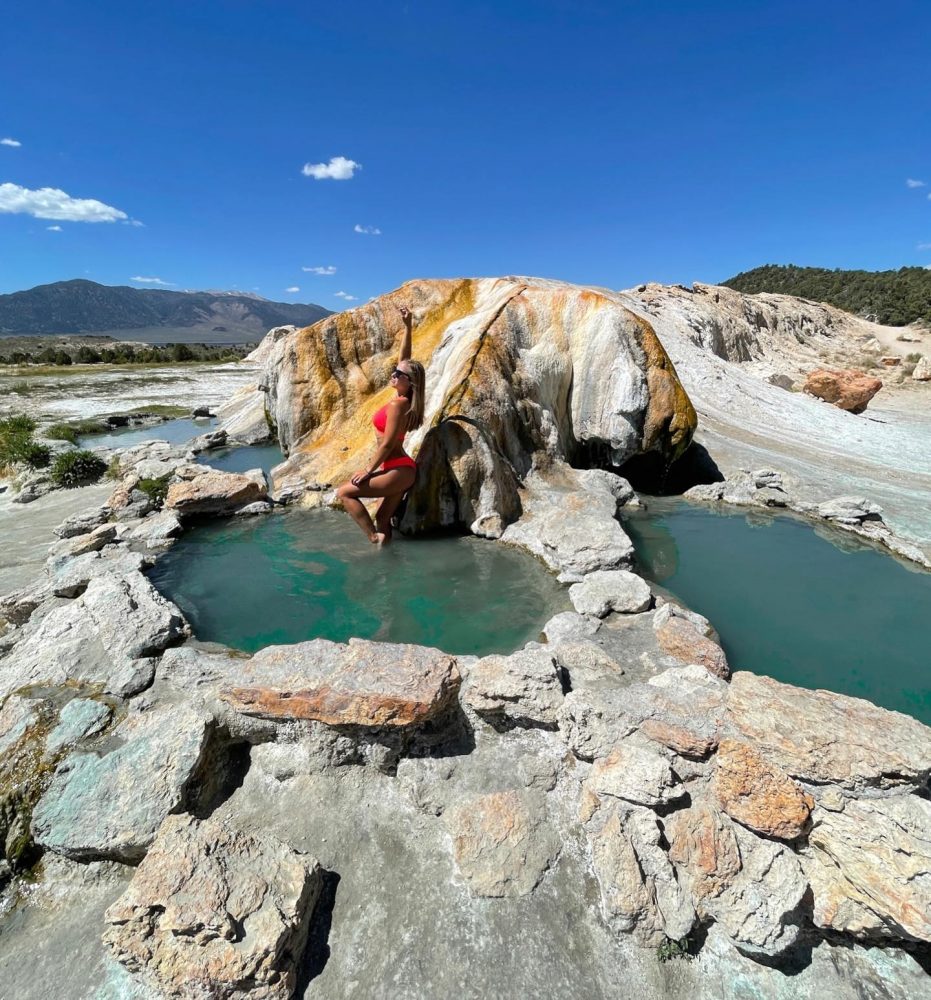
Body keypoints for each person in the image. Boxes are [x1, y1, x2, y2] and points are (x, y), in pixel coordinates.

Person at [336, 304, 425, 544]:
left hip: (396, 469)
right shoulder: (402, 399)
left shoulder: (399, 405)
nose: (393, 375)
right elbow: (405, 359)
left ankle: (373, 538)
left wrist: (368, 470)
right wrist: (407, 326)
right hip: (398, 469)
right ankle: (387, 563)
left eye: (398, 375)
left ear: (410, 382)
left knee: (344, 492)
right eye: (395, 371)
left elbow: (386, 444)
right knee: (383, 517)